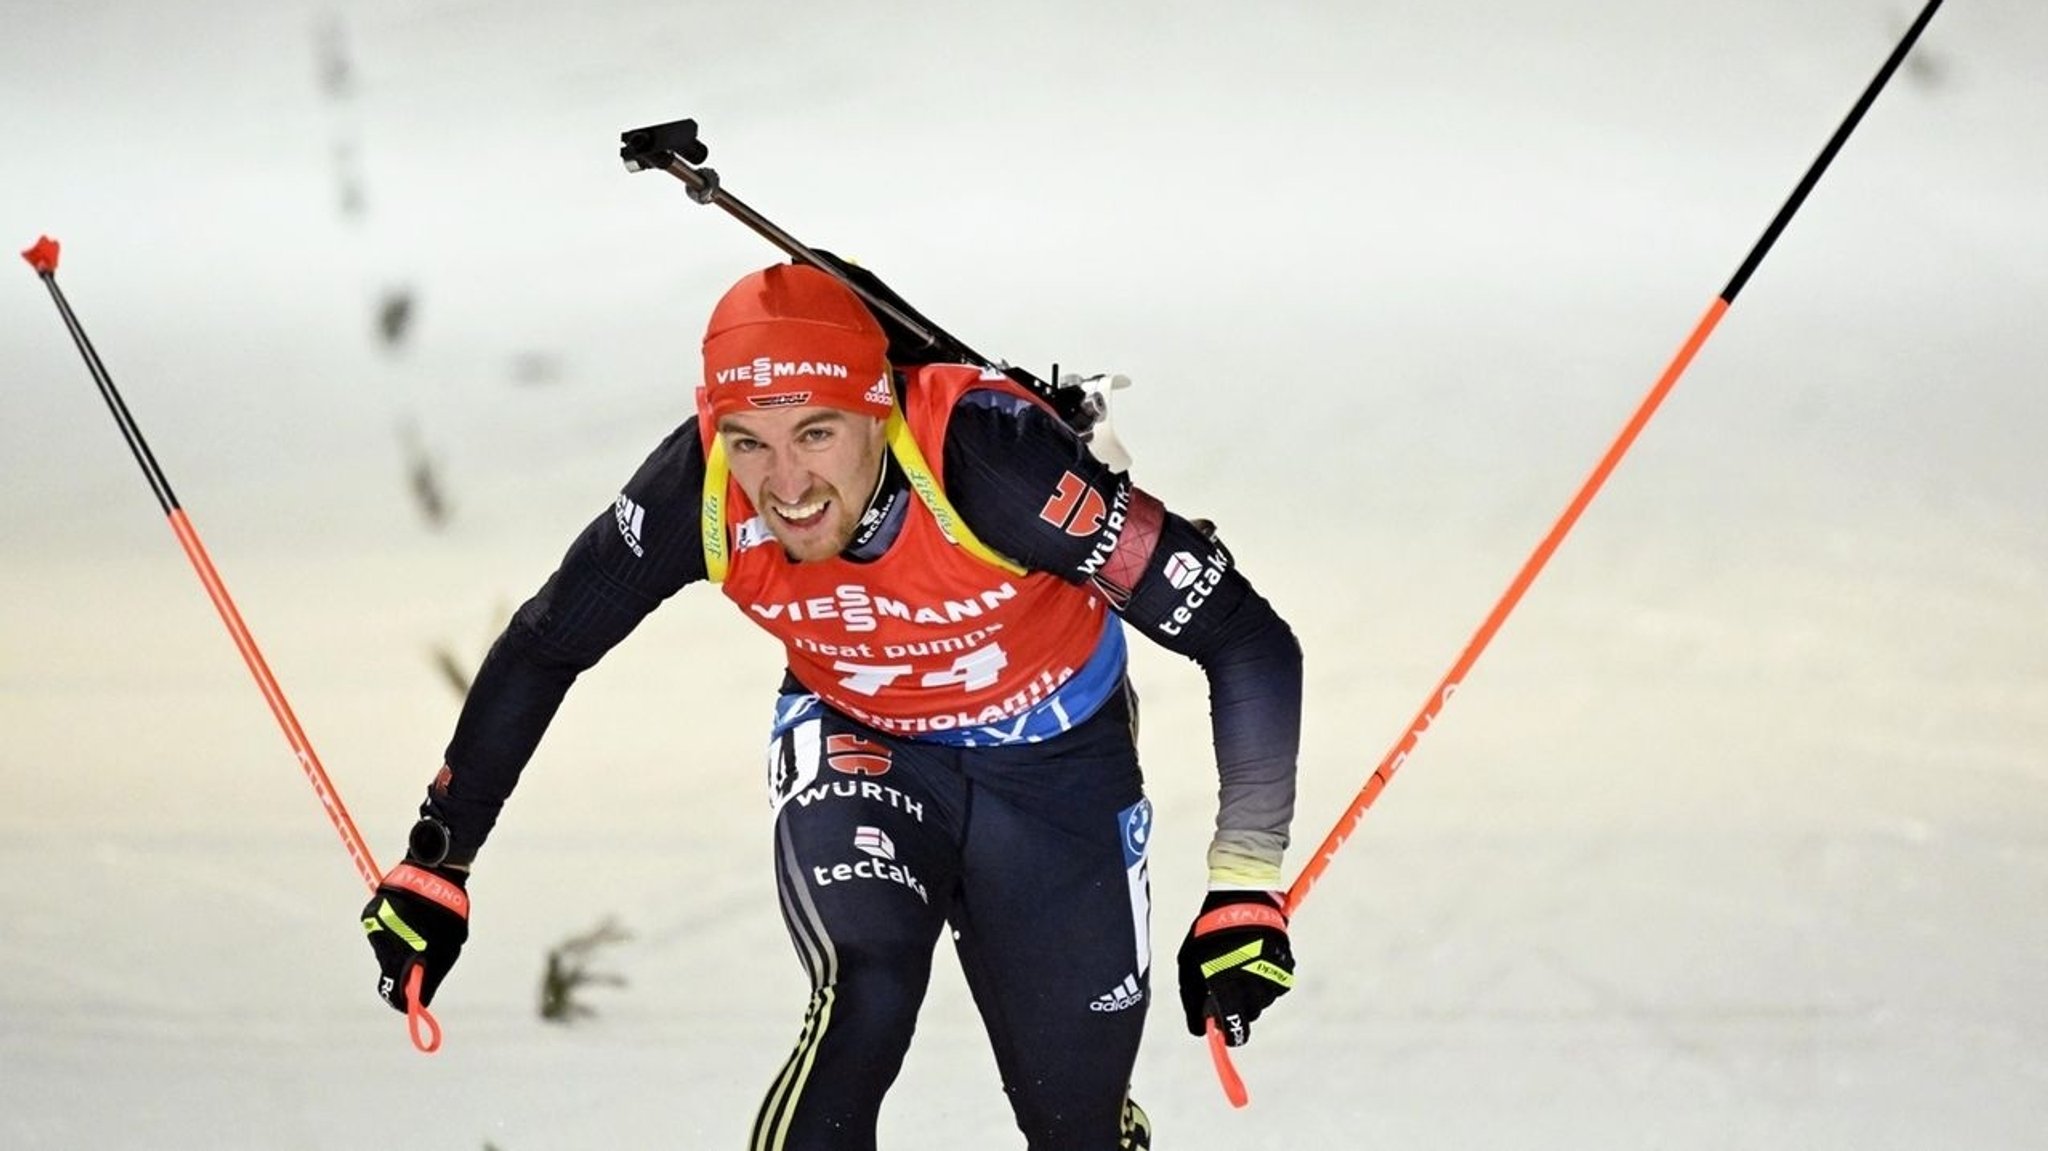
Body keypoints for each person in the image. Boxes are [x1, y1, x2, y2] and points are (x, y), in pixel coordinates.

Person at [359, 262, 1304, 1150]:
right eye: (749, 441)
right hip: (865, 740)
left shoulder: (993, 464)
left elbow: (1245, 637)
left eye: (815, 432)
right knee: (866, 987)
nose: (787, 485)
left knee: (1075, 1122)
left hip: (1055, 759)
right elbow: (547, 642)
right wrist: (438, 855)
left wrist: (1243, 884)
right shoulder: (701, 489)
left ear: (877, 407)